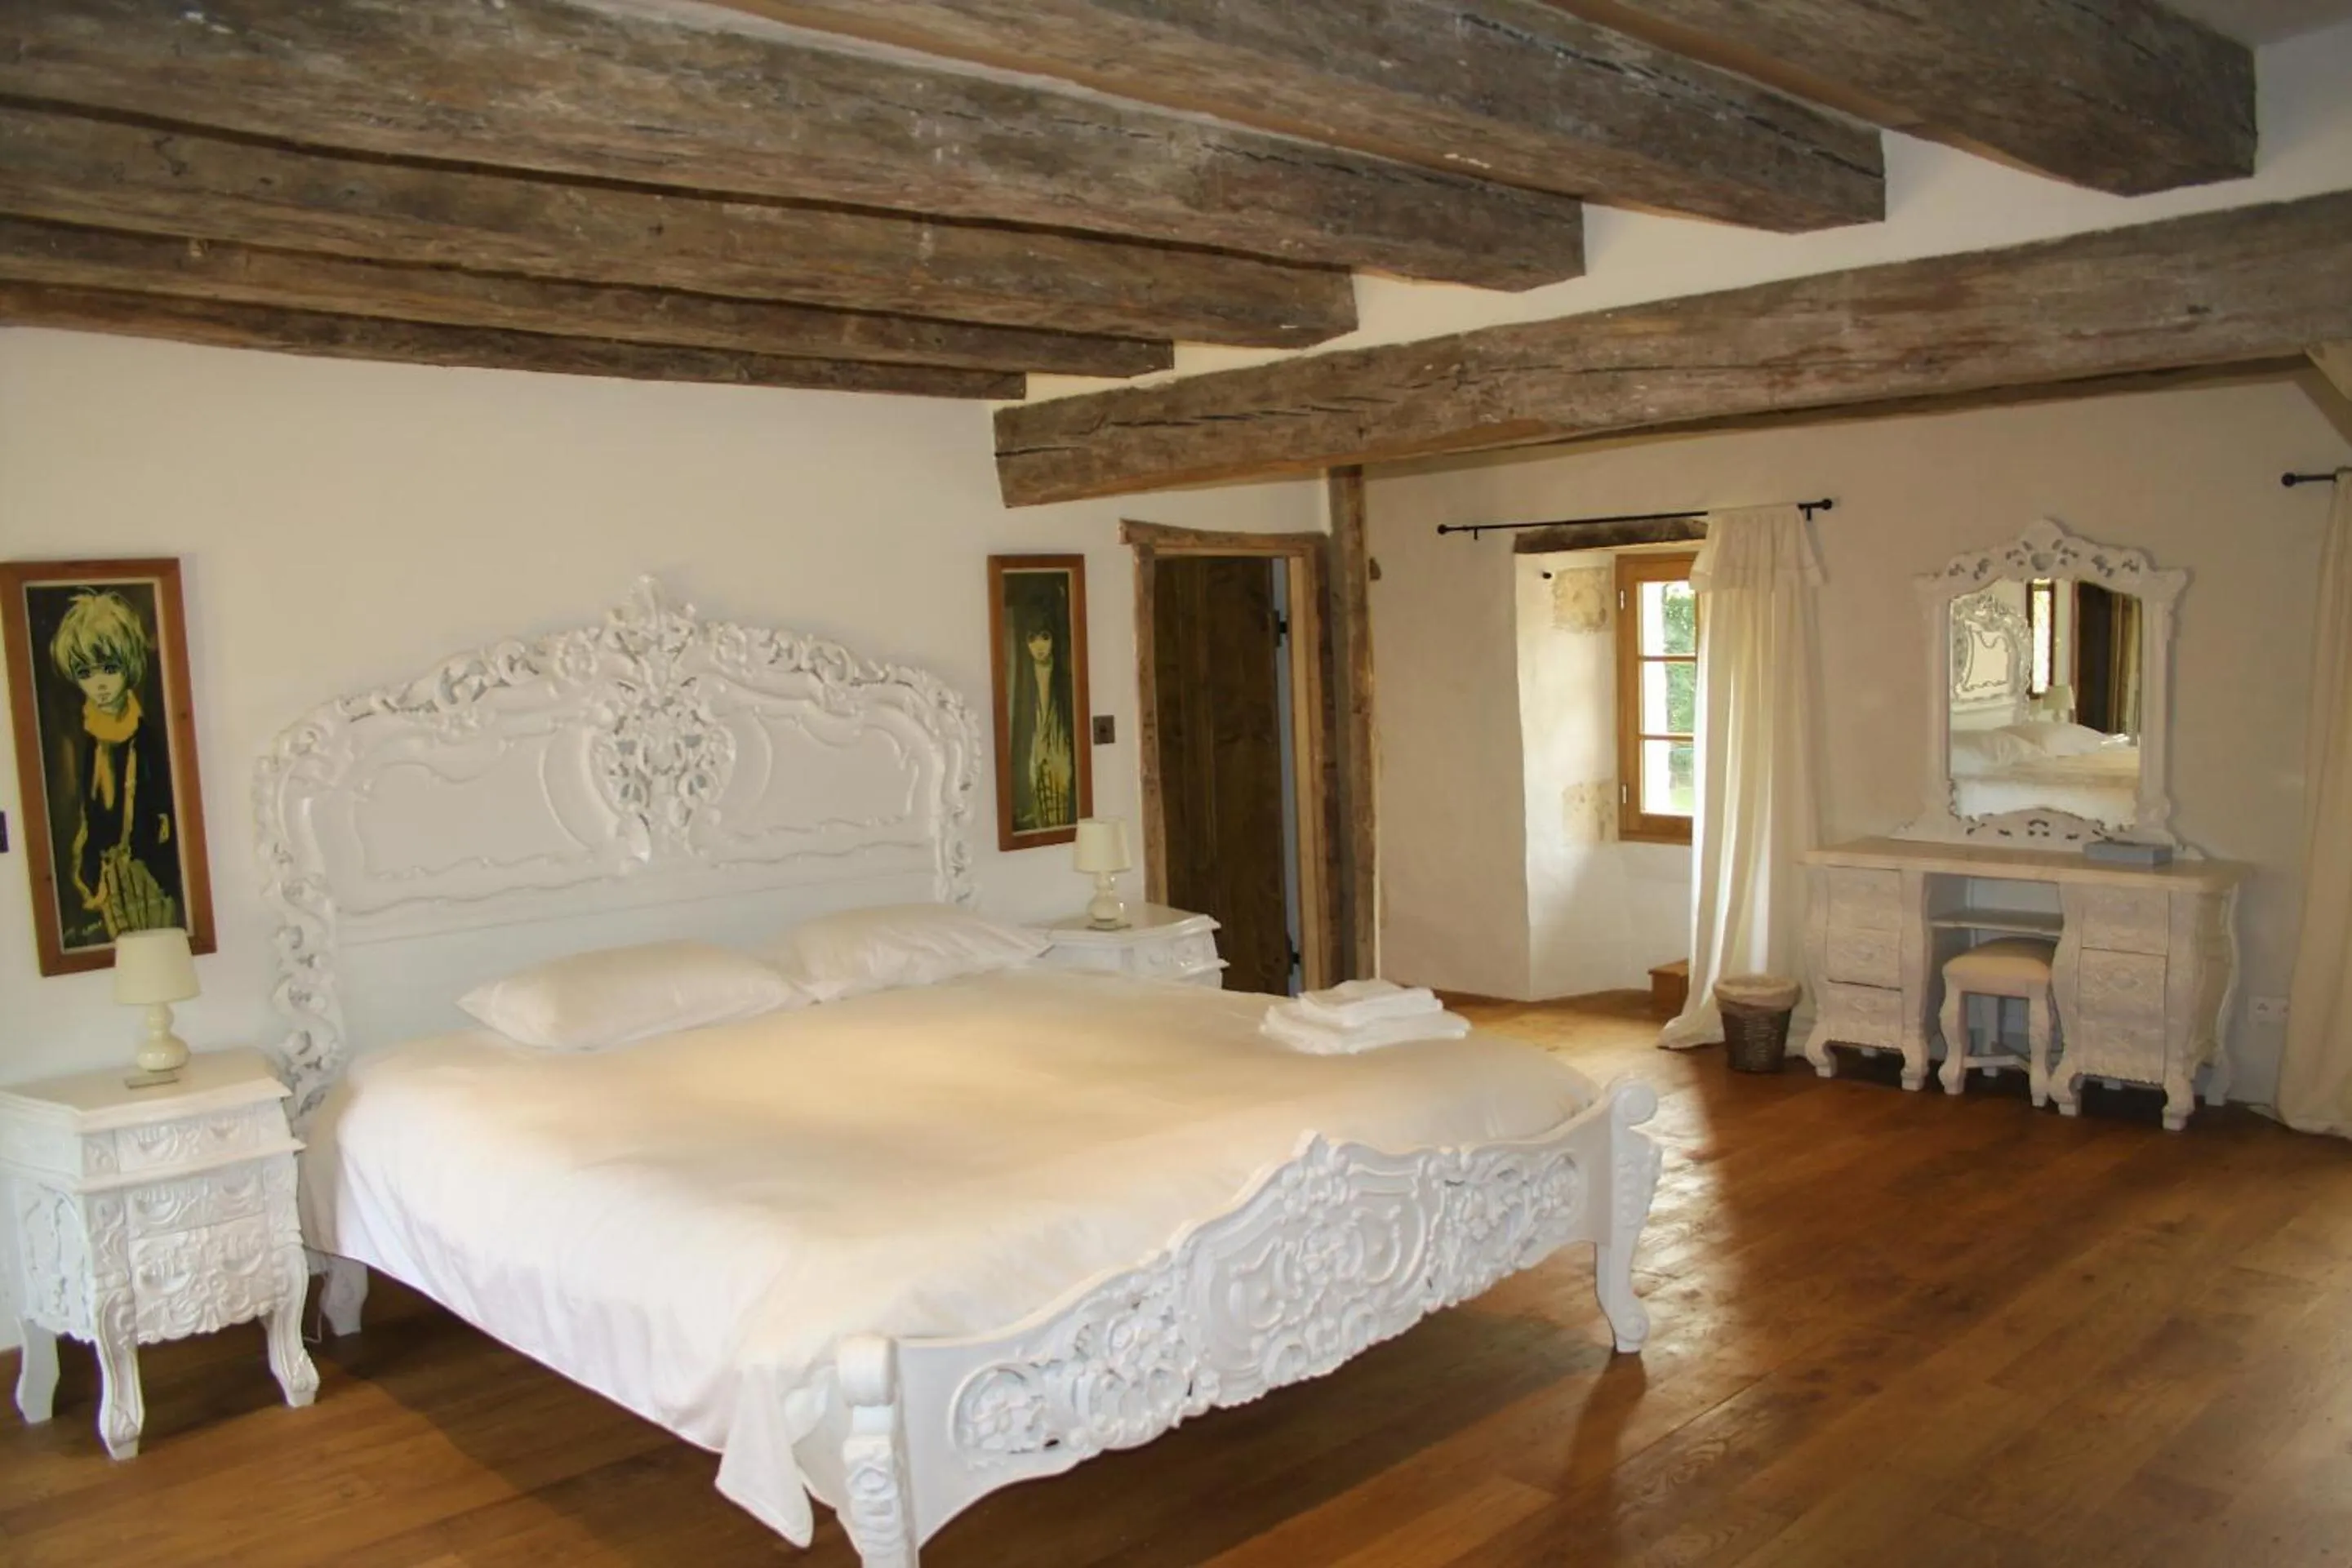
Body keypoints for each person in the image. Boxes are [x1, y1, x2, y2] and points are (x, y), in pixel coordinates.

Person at [48, 589, 181, 944]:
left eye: (109, 669)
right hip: (109, 867)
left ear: (128, 664)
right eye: (85, 672)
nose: (99, 683)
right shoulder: (90, 734)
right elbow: (92, 808)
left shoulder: (145, 733)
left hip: (147, 866)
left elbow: (163, 805)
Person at [1009, 608, 1075, 833]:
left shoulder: (1065, 679)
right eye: (1032, 639)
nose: (1039, 646)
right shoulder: (1022, 684)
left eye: (1045, 637)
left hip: (1060, 755)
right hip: (1036, 755)